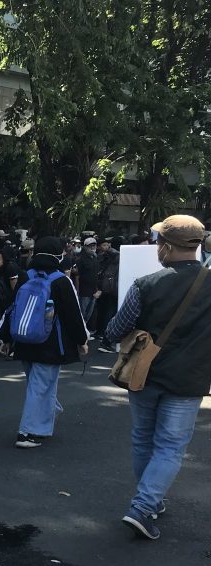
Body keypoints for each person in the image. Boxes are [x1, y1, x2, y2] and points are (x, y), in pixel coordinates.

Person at [104, 215, 211, 541]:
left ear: (164, 246)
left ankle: (146, 502)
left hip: (143, 375)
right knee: (170, 446)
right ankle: (144, 505)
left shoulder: (146, 284)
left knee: (143, 438)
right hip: (189, 380)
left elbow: (114, 330)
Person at [0, 236, 89, 449]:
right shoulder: (60, 280)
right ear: (58, 254)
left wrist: (5, 338)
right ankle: (28, 432)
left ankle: (44, 417)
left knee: (37, 385)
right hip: (50, 344)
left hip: (23, 341)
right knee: (42, 387)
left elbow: (11, 308)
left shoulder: (24, 275)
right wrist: (82, 340)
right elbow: (73, 315)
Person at [74, 237, 100, 326]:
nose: (93, 247)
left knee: (89, 313)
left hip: (93, 290)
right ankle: (80, 332)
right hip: (84, 290)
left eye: (94, 245)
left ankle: (84, 331)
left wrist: (97, 289)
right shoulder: (80, 259)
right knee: (82, 312)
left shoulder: (95, 257)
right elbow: (77, 275)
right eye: (90, 245)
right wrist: (77, 290)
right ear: (85, 246)